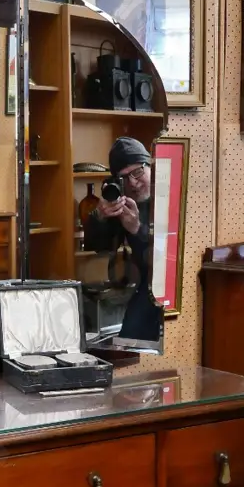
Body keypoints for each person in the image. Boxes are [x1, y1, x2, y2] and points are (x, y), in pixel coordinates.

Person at [83, 136, 161, 342]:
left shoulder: (170, 195)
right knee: (129, 341)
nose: (133, 183)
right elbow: (98, 247)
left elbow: (169, 258)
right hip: (144, 285)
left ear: (151, 165)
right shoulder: (122, 203)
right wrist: (99, 217)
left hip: (171, 283)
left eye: (137, 172)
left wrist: (137, 229)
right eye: (124, 178)